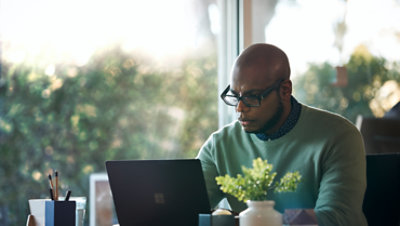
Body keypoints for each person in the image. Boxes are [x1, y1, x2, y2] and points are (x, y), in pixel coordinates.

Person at [197, 43, 367, 225]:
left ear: (285, 90)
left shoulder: (338, 136)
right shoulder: (219, 145)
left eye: (252, 97)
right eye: (235, 97)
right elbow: (186, 208)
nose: (240, 108)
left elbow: (335, 218)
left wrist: (257, 221)